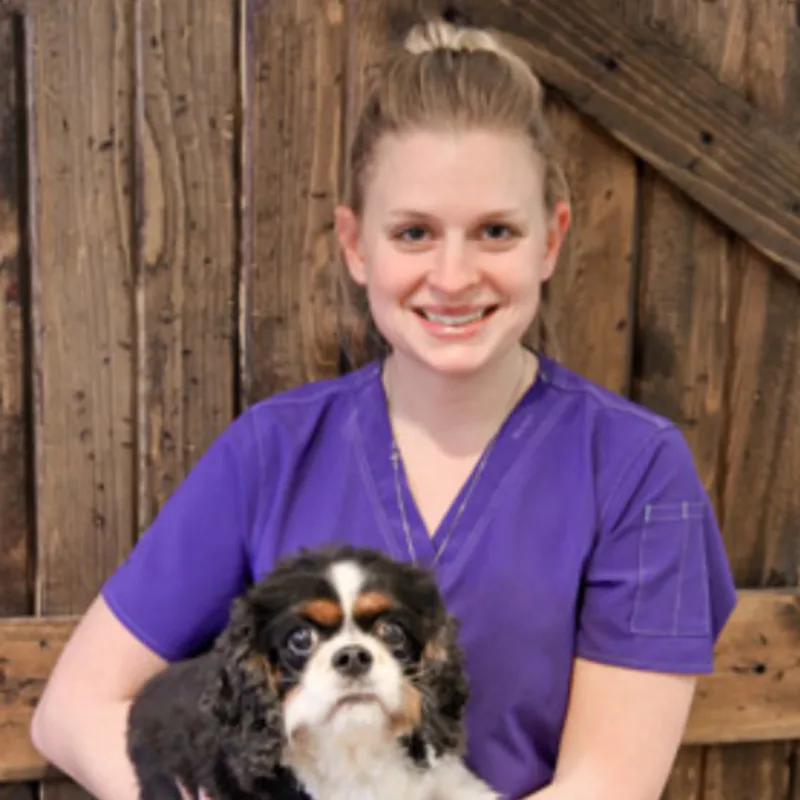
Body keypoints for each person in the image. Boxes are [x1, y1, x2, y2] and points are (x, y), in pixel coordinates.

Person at [30, 19, 737, 800]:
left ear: (551, 239)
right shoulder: (271, 451)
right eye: (414, 233)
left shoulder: (636, 470)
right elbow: (71, 710)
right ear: (356, 245)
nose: (454, 274)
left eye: (495, 231)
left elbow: (609, 783)